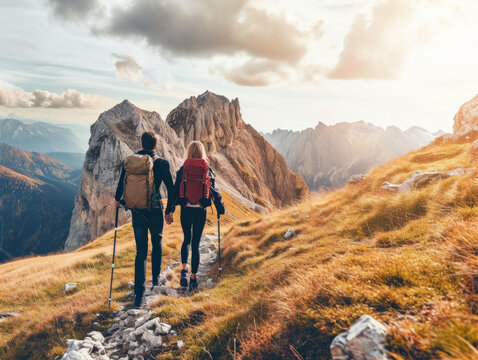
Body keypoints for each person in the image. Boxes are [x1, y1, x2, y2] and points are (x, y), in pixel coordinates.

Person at [115, 131, 175, 307]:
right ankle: (155, 281)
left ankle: (138, 295)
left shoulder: (130, 162)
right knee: (156, 243)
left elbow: (118, 192)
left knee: (140, 251)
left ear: (141, 143)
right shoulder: (162, 163)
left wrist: (119, 201)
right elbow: (172, 189)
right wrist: (169, 210)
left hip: (137, 212)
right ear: (155, 145)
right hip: (155, 210)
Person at [166, 141, 225, 292]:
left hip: (186, 208)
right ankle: (193, 279)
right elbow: (214, 190)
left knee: (186, 239)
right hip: (200, 210)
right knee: (196, 243)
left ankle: (184, 270)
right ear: (202, 152)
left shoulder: (184, 168)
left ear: (189, 152)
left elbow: (175, 189)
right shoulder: (207, 168)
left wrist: (170, 209)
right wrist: (220, 208)